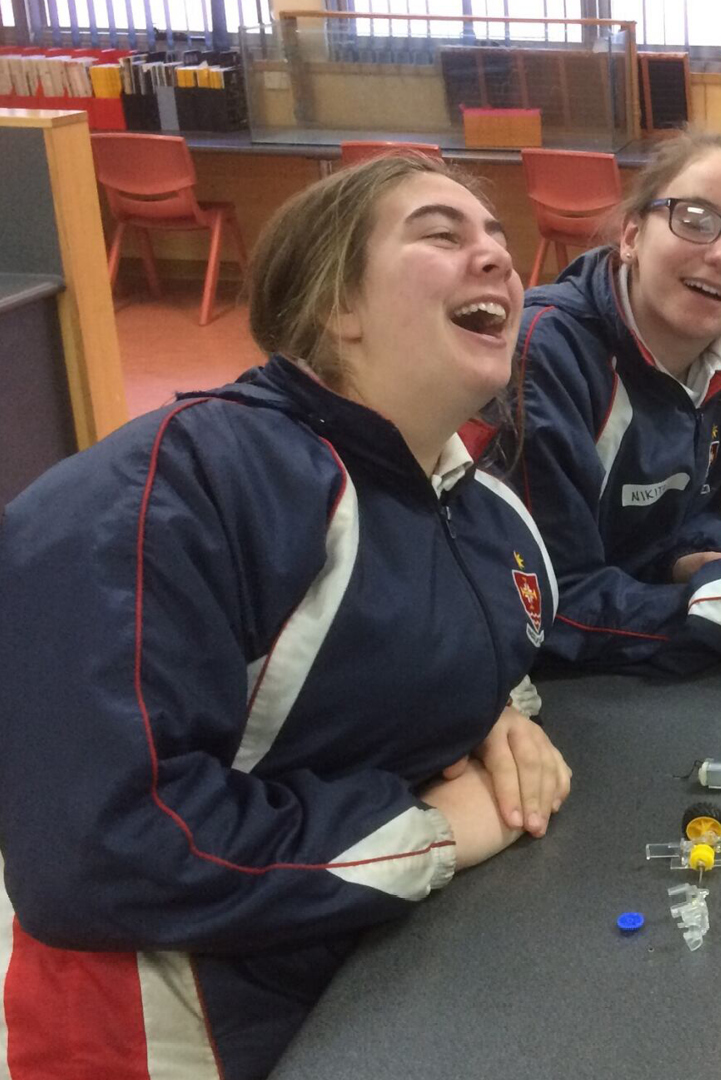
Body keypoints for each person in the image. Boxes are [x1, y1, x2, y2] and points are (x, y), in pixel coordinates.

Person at [0, 155, 572, 1080]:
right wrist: (432, 827)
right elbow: (101, 847)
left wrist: (491, 715)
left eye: (500, 242)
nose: (497, 260)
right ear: (335, 306)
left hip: (371, 982)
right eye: (442, 233)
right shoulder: (174, 489)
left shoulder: (483, 511)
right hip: (177, 1022)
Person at [495, 133, 721, 674]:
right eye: (695, 219)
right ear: (630, 235)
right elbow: (545, 606)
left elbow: (684, 515)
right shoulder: (544, 357)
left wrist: (699, 562)